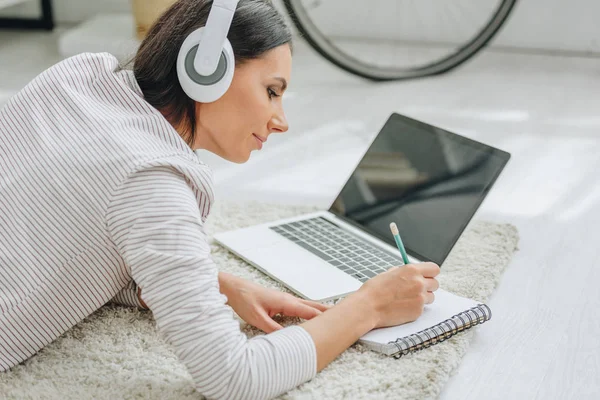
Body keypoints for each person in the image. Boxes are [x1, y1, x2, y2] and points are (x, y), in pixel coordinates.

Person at [0, 0, 440, 398]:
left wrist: (214, 283)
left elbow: (60, 234)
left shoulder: (76, 76)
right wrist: (367, 307)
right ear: (206, 67)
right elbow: (234, 378)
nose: (281, 121)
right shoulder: (152, 179)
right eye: (272, 90)